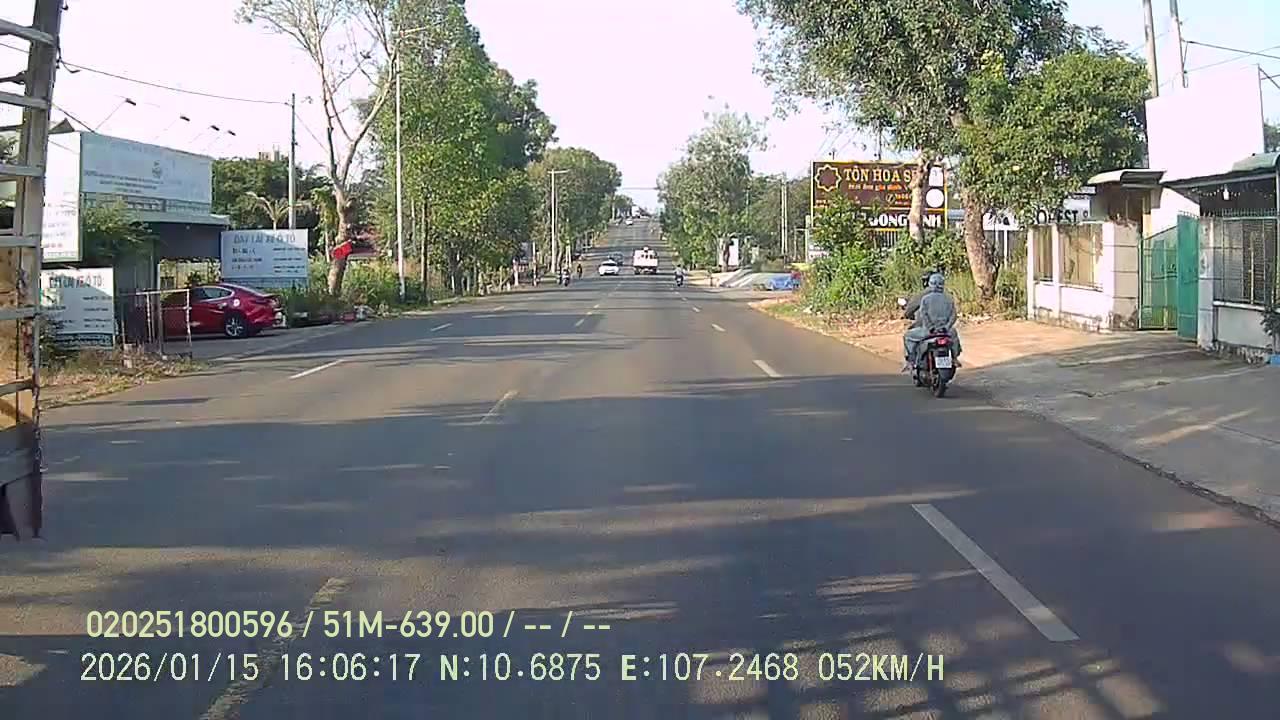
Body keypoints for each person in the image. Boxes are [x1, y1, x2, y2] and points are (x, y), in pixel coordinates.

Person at [903, 272, 961, 371]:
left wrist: (930, 328)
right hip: (946, 331)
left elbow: (924, 315)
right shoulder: (949, 298)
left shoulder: (924, 298)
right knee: (954, 335)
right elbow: (953, 315)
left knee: (908, 336)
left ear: (929, 283)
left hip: (929, 331)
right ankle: (955, 358)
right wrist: (946, 327)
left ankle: (911, 362)